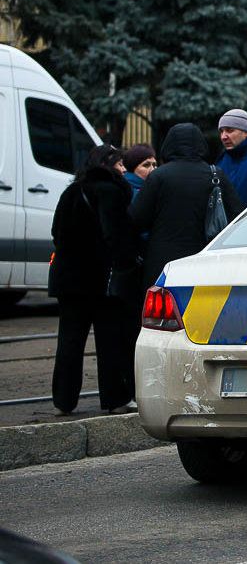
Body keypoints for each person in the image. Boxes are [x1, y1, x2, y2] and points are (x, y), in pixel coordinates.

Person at [48, 145, 140, 415]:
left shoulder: (72, 190)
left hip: (68, 279)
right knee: (109, 340)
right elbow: (115, 236)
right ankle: (114, 399)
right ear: (109, 165)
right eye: (120, 164)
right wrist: (126, 262)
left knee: (69, 340)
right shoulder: (110, 192)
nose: (124, 169)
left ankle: (63, 401)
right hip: (100, 279)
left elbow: (56, 232)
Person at [131, 123, 242, 291]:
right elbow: (237, 216)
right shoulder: (215, 175)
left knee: (162, 314)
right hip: (205, 259)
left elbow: (137, 218)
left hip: (163, 262)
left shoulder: (159, 176)